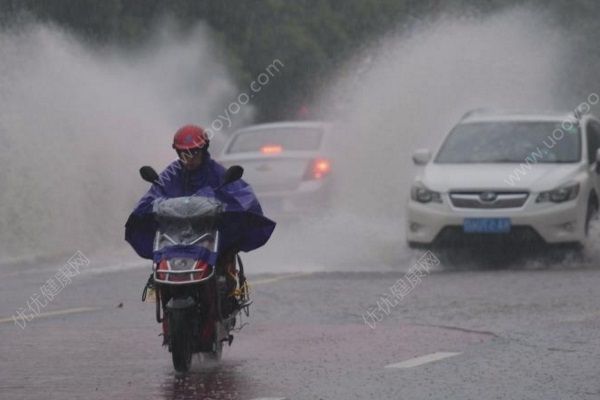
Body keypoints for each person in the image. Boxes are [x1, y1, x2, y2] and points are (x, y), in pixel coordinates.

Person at [125, 124, 275, 319]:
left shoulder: (218, 173)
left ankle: (228, 295)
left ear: (204, 149)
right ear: (177, 152)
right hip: (177, 237)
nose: (189, 157)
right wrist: (150, 208)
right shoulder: (171, 174)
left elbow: (241, 196)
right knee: (159, 257)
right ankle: (163, 286)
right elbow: (154, 195)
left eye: (194, 152)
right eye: (183, 152)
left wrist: (224, 204)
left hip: (211, 235)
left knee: (226, 253)